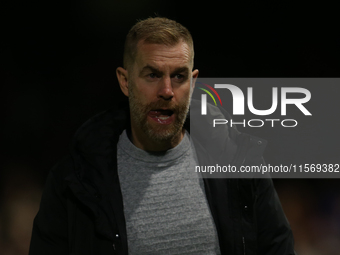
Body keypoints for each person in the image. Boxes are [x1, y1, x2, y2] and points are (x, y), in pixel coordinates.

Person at [29, 17, 296, 255]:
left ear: (192, 83)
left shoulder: (239, 164)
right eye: (153, 74)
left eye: (178, 76)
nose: (167, 90)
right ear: (125, 81)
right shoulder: (75, 180)